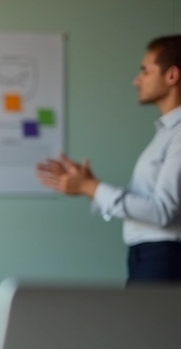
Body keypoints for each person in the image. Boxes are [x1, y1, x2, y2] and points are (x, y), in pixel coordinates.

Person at [36, 35, 181, 283]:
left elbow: (162, 212)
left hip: (163, 260)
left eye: (145, 71)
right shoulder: (166, 133)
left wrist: (90, 187)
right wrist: (88, 188)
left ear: (171, 76)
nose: (136, 80)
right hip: (149, 258)